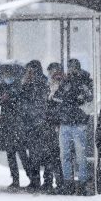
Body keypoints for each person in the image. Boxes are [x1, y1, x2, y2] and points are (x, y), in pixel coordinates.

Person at [54, 58, 94, 195]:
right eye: (70, 68)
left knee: (80, 154)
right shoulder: (65, 81)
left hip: (78, 122)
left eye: (74, 68)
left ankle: (81, 183)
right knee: (65, 154)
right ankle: (68, 182)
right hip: (66, 122)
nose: (72, 71)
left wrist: (77, 91)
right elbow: (57, 97)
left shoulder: (86, 80)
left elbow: (89, 98)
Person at [0, 73, 29, 190]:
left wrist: (11, 97)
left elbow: (24, 104)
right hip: (6, 125)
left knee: (22, 153)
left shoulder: (20, 86)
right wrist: (0, 100)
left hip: (19, 125)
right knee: (10, 153)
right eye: (5, 75)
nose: (7, 77)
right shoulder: (1, 87)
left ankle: (32, 178)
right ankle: (15, 180)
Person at [18, 60, 49, 191]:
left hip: (39, 122)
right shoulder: (27, 83)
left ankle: (39, 180)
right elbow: (22, 99)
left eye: (30, 70)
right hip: (30, 123)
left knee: (38, 154)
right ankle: (35, 179)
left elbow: (39, 101)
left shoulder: (41, 82)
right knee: (31, 153)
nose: (28, 72)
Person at [42, 62, 65, 193]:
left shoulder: (64, 86)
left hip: (59, 123)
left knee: (58, 154)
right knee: (48, 154)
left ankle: (60, 181)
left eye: (55, 72)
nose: (53, 75)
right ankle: (48, 181)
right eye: (51, 72)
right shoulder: (47, 87)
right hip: (48, 123)